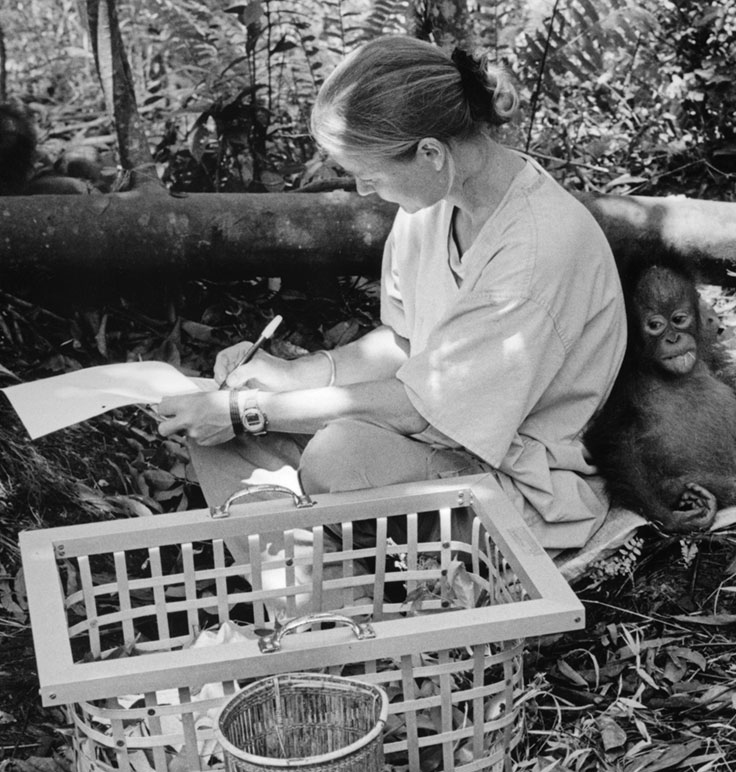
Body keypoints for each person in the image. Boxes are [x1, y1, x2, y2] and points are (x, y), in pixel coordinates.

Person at [156, 35, 626, 565]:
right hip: (435, 436)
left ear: (430, 153)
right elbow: (405, 342)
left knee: (339, 456)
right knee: (207, 425)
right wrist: (288, 375)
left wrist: (253, 412)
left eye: (370, 175)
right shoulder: (429, 207)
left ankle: (335, 599)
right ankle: (316, 588)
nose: (360, 191)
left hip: (518, 478)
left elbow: (431, 408)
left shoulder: (535, 252)